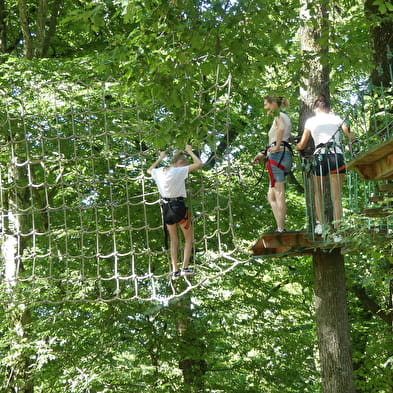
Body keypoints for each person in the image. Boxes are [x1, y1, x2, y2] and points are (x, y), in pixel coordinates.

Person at [295, 95, 356, 235]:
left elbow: (303, 144)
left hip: (320, 156)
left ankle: (320, 224)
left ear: (316, 109)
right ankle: (339, 229)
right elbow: (352, 137)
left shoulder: (311, 121)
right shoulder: (337, 118)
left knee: (319, 193)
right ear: (329, 109)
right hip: (337, 155)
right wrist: (349, 145)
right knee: (337, 196)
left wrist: (297, 147)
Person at [147, 144, 202, 279]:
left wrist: (160, 158)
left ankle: (175, 270)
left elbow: (149, 170)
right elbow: (199, 164)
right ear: (181, 162)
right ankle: (185, 268)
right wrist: (190, 151)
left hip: (165, 208)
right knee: (188, 238)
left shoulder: (159, 171)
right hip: (178, 207)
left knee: (174, 240)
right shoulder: (179, 171)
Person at [253, 95, 293, 233]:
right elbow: (278, 136)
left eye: (266, 104)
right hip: (282, 155)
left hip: (278, 156)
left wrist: (275, 147)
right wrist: (263, 153)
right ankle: (279, 226)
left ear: (273, 104)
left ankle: (281, 228)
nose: (265, 107)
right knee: (271, 196)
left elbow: (281, 130)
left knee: (279, 193)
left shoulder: (278, 115)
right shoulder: (283, 115)